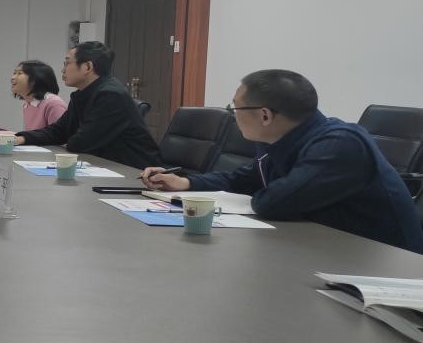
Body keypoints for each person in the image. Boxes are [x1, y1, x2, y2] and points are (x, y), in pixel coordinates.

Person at [142, 70, 422, 253]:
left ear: (265, 115)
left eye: (235, 107)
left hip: (386, 264)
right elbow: (247, 178)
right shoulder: (281, 139)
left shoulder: (339, 145)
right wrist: (186, 183)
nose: (232, 114)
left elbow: (273, 202)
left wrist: (263, 192)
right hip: (324, 249)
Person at [14, 41, 160, 169]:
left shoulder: (111, 95)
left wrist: (68, 137)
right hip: (105, 166)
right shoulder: (82, 94)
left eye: (67, 63)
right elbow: (59, 131)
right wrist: (22, 138)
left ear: (87, 67)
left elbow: (81, 143)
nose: (62, 70)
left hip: (134, 171)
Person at [11, 60, 66, 131]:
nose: (13, 77)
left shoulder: (54, 103)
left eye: (19, 73)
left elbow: (60, 135)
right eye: (14, 73)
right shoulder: (27, 104)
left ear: (36, 79)